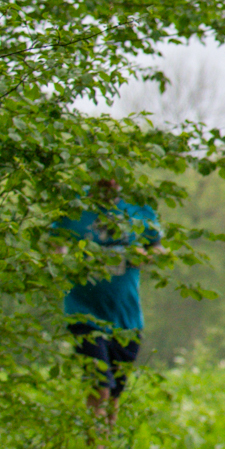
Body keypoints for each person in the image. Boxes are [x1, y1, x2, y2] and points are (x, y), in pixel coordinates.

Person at [53, 177, 162, 425]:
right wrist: (63, 263)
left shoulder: (138, 206)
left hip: (126, 317)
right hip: (83, 313)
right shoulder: (75, 204)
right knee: (99, 386)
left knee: (114, 395)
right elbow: (55, 245)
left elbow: (158, 249)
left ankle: (103, 444)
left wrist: (143, 256)